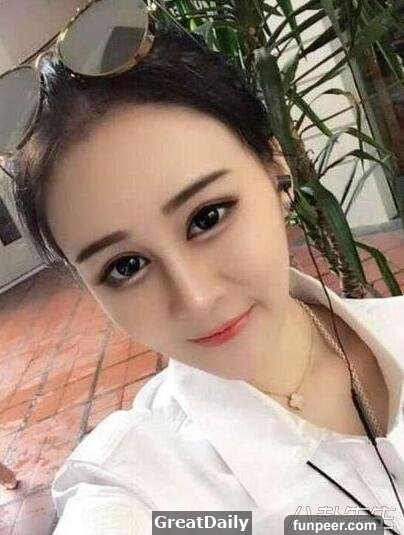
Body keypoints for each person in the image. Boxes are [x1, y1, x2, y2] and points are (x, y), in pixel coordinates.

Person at [1, 10, 403, 535]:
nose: (194, 297)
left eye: (206, 218)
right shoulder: (139, 480)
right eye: (125, 266)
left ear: (275, 170)